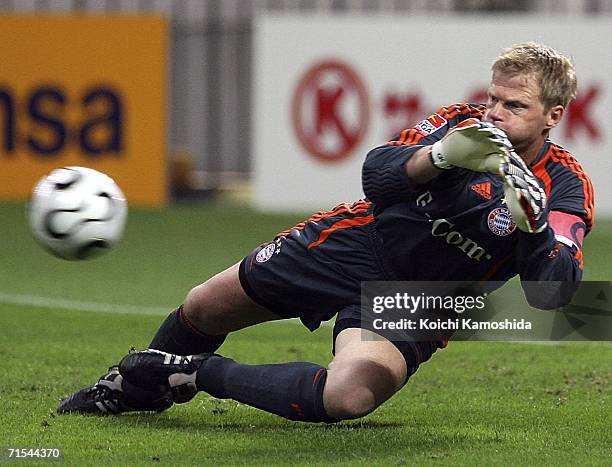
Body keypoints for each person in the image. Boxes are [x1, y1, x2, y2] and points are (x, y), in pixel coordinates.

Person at [58, 42, 594, 422]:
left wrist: (534, 229)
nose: (495, 113)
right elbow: (377, 176)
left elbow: (553, 295)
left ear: (553, 115)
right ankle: (131, 391)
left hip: (424, 301)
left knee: (349, 396)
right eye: (493, 98)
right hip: (359, 241)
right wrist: (436, 157)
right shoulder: (461, 125)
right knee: (203, 305)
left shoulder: (566, 187)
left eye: (514, 105)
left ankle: (194, 374)